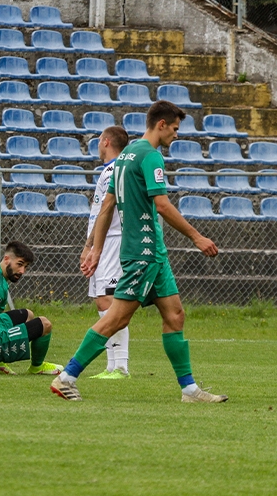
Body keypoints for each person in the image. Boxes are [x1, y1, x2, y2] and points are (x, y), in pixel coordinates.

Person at [50, 100, 227, 403]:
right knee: (116, 319)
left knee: (175, 315)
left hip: (154, 254)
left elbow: (107, 207)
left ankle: (189, 390)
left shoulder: (124, 157)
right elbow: (161, 205)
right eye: (174, 128)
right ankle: (67, 377)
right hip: (143, 253)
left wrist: (95, 248)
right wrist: (196, 237)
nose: (176, 134)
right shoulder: (150, 157)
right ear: (161, 124)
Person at [0, 241, 62, 376]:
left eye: (25, 267)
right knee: (45, 324)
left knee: (28, 314)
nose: (22, 271)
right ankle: (37, 367)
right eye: (19, 265)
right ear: (7, 259)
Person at [83, 126, 131, 380]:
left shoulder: (115, 170)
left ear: (107, 141)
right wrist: (89, 246)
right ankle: (112, 365)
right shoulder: (108, 171)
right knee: (103, 300)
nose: (97, 145)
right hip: (105, 241)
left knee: (111, 301)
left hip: (113, 241)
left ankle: (121, 366)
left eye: (99, 140)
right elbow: (99, 212)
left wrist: (94, 246)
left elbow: (109, 211)